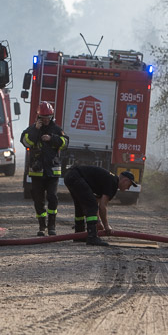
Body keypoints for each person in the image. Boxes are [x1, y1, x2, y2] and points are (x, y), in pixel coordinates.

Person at [21, 101, 69, 236]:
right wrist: (36, 130)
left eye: (48, 117)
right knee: (38, 200)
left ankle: (52, 226)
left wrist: (52, 138)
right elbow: (26, 142)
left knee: (53, 197)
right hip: (37, 172)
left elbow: (65, 143)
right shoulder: (31, 130)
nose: (46, 119)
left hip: (52, 171)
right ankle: (42, 226)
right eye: (43, 117)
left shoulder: (57, 129)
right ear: (38, 117)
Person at [63, 166, 137, 246]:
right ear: (125, 180)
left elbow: (97, 201)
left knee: (80, 206)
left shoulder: (110, 179)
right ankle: (92, 237)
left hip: (70, 175)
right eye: (129, 185)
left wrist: (98, 221)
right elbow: (102, 206)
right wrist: (106, 226)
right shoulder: (113, 183)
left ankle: (79, 235)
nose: (128, 188)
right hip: (76, 177)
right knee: (91, 206)